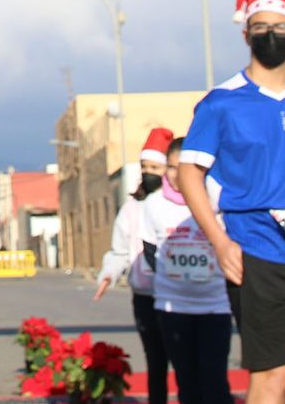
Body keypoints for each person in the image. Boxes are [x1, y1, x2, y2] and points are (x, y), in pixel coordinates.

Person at [178, 0, 285, 404]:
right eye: (261, 27)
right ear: (246, 35)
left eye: (281, 27)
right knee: (270, 378)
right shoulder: (220, 103)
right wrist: (220, 242)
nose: (271, 34)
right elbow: (189, 173)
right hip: (258, 252)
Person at [143, 137, 231, 404]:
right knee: (187, 381)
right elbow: (149, 250)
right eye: (171, 167)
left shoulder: (217, 201)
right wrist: (174, 278)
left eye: (183, 166)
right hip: (173, 306)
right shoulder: (154, 203)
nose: (177, 174)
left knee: (214, 381)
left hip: (215, 305)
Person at [94, 126, 174, 404]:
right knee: (155, 360)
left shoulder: (181, 206)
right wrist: (108, 274)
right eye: (144, 167)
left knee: (185, 359)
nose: (149, 172)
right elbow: (119, 252)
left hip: (178, 296)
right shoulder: (131, 209)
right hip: (145, 296)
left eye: (155, 167)